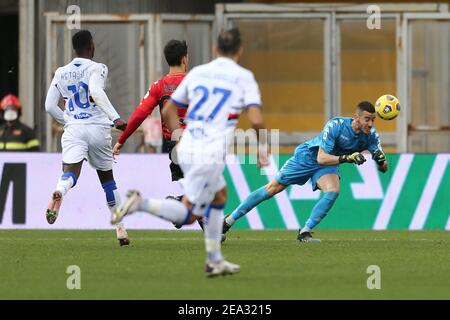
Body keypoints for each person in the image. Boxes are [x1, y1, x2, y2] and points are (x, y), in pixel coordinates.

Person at [112, 28, 269, 276]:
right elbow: (257, 121)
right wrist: (262, 148)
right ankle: (140, 203)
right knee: (189, 212)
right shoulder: (243, 77)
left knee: (219, 195)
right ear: (240, 51)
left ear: (216, 50)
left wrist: (177, 135)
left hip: (184, 145)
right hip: (208, 150)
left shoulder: (198, 74)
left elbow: (166, 112)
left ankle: (215, 259)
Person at [222, 101, 388, 243]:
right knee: (272, 188)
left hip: (328, 164)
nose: (371, 124)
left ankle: (305, 232)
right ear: (356, 117)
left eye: (373, 120)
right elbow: (322, 157)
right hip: (308, 157)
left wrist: (380, 160)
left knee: (333, 190)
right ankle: (228, 221)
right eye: (367, 119)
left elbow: (383, 169)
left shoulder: (372, 136)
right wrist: (347, 158)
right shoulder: (336, 126)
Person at [44, 30, 130, 246]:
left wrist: (69, 120)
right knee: (107, 180)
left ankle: (59, 190)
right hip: (98, 129)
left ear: (75, 48)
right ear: (91, 45)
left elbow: (49, 106)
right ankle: (120, 228)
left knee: (70, 173)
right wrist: (116, 118)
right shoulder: (98, 68)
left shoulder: (61, 72)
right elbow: (96, 91)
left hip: (74, 129)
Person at [112, 39, 205, 230]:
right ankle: (170, 205)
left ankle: (211, 231)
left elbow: (139, 115)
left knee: (198, 192)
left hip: (174, 146)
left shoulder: (159, 86)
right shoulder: (195, 83)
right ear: (184, 59)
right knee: (204, 191)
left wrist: (121, 140)